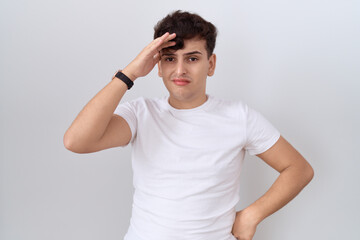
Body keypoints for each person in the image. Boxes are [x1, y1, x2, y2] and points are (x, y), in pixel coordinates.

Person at [63, 10, 314, 240]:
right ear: (158, 66)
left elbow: (298, 169)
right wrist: (130, 73)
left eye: (192, 59)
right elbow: (76, 141)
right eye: (170, 59)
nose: (179, 70)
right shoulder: (141, 113)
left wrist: (252, 214)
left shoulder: (239, 117)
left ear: (211, 64)